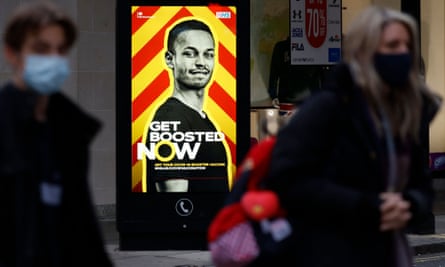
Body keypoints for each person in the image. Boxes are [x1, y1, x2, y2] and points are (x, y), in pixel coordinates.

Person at [262, 5, 441, 267]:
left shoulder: (405, 112)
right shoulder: (327, 108)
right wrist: (365, 206)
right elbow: (285, 179)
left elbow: (421, 184)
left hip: (387, 252)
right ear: (365, 51)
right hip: (328, 251)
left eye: (407, 46)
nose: (402, 53)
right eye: (392, 45)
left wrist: (410, 205)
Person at [0, 2, 113, 266]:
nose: (53, 59)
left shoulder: (70, 127)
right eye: (41, 49)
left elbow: (82, 225)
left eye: (60, 50)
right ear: (12, 53)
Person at [144, 19, 229, 192]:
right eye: (190, 53)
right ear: (170, 59)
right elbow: (175, 200)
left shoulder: (200, 117)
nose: (201, 63)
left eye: (208, 54)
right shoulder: (171, 119)